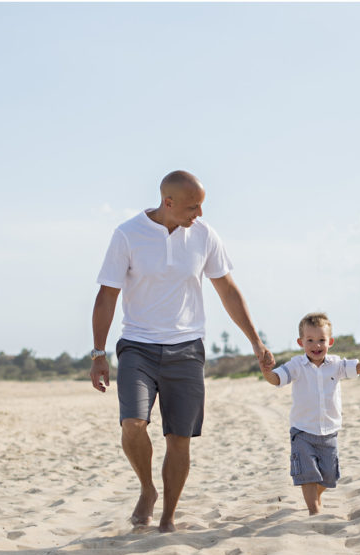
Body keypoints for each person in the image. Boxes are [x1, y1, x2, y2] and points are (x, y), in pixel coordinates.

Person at [90, 170, 273, 532]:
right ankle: (147, 488)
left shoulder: (205, 236)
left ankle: (168, 518)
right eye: (193, 206)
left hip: (187, 349)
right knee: (132, 425)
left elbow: (227, 290)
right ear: (168, 203)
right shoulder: (128, 234)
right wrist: (98, 353)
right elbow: (107, 294)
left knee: (180, 439)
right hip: (138, 346)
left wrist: (256, 341)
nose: (200, 214)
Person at [260, 313, 360, 515]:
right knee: (308, 475)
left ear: (330, 342)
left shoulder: (336, 364)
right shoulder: (296, 365)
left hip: (329, 431)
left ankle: (316, 495)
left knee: (329, 477)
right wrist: (266, 370)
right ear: (301, 342)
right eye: (310, 340)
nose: (316, 345)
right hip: (303, 431)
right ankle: (314, 511)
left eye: (321, 340)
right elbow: (277, 379)